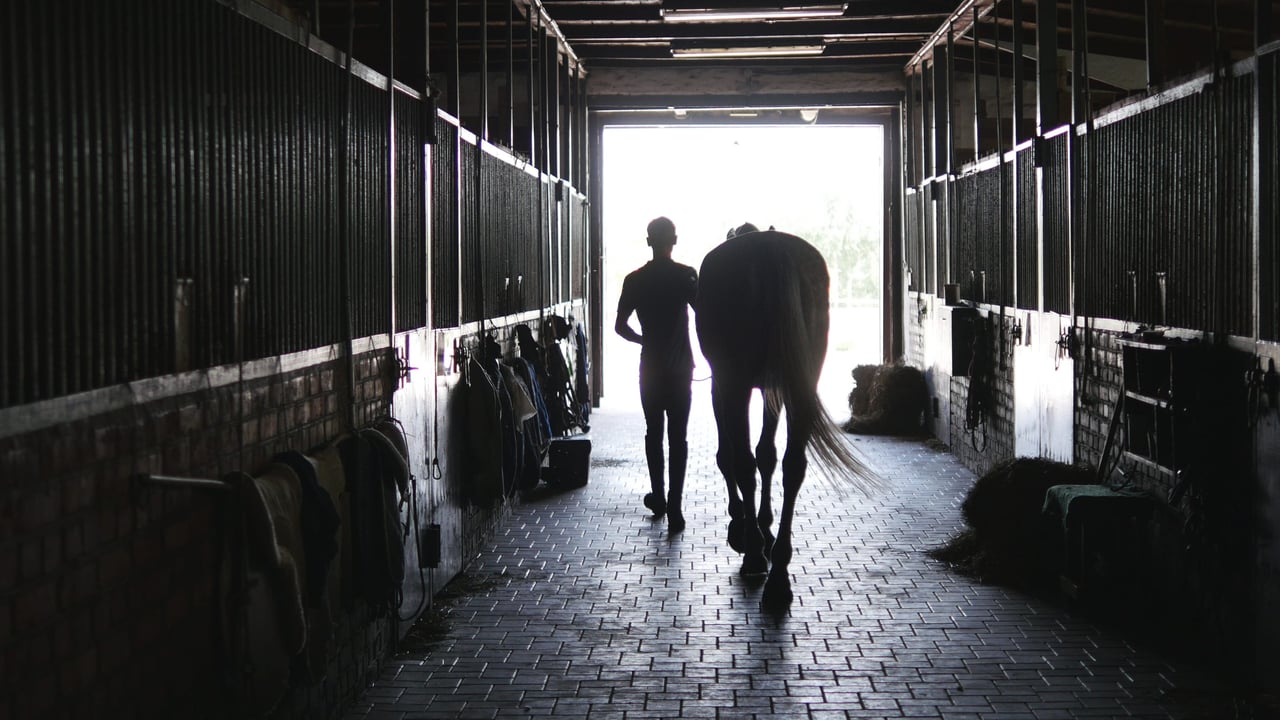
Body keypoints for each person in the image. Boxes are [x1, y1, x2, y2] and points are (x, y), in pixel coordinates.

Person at [615, 216, 698, 534]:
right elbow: (704, 315)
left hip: (650, 368)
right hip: (680, 371)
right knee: (679, 438)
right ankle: (675, 506)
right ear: (674, 241)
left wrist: (644, 339)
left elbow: (620, 326)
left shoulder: (634, 280)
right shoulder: (686, 276)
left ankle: (659, 496)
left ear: (649, 241)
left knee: (654, 433)